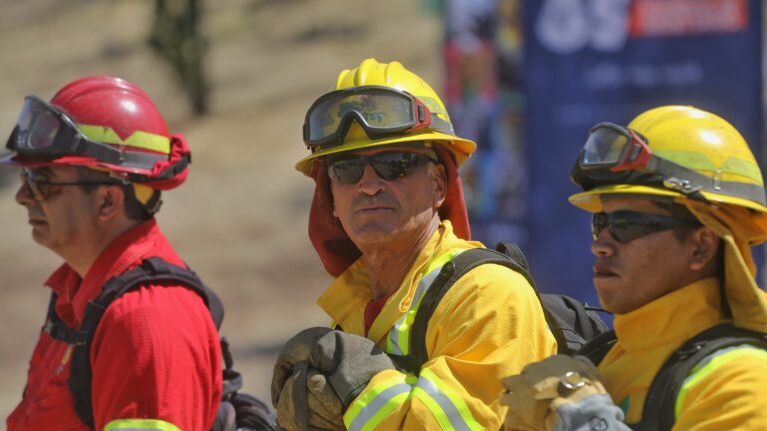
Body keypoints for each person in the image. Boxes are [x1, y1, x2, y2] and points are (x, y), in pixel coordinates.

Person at [270, 58, 557, 431]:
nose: (369, 185)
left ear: (439, 184)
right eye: (347, 168)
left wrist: (361, 389)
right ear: (331, 197)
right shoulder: (352, 312)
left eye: (395, 164)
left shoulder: (488, 297)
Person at [501, 105, 767, 430]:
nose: (601, 244)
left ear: (702, 246)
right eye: (601, 222)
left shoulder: (743, 382)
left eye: (626, 224)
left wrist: (586, 424)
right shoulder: (604, 363)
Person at [3, 76, 222, 430]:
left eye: (43, 182)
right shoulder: (75, 295)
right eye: (26, 178)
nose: (23, 196)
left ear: (107, 200)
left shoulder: (146, 322)